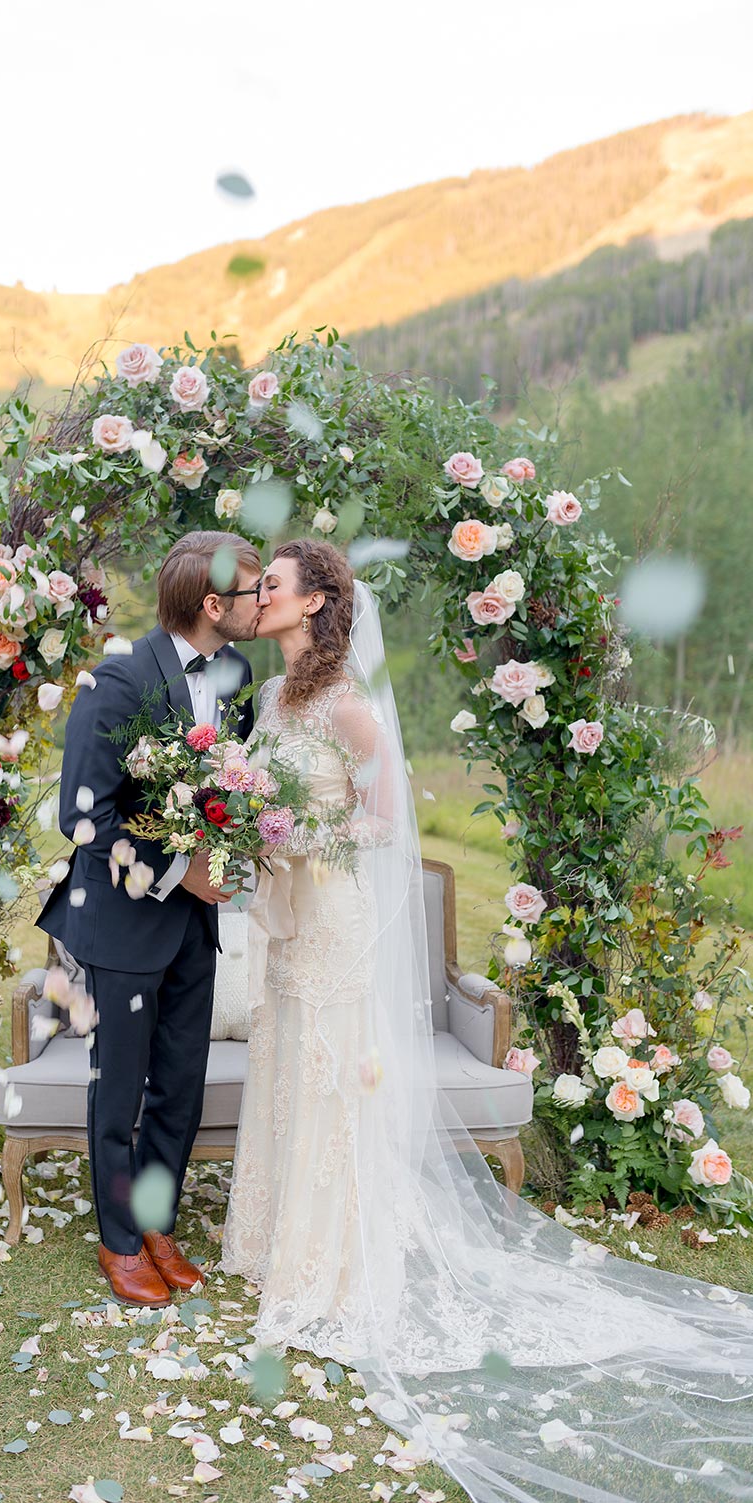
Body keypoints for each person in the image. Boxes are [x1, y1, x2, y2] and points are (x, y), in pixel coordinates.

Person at [223, 537, 753, 1503]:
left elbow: (382, 820)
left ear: (318, 603)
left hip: (334, 914)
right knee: (291, 1063)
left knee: (334, 1074)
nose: (258, 595)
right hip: (287, 926)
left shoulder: (347, 702)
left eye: (273, 585)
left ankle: (334, 1266)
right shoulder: (270, 700)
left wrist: (300, 832)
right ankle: (272, 1247)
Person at [38, 530, 267, 1308]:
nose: (260, 603)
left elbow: (224, 795)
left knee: (180, 1083)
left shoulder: (236, 675)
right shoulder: (119, 678)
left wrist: (231, 848)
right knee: (122, 1084)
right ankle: (119, 1238)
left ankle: (158, 1221)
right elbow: (83, 815)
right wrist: (180, 871)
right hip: (126, 919)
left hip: (195, 927)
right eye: (251, 591)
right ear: (212, 603)